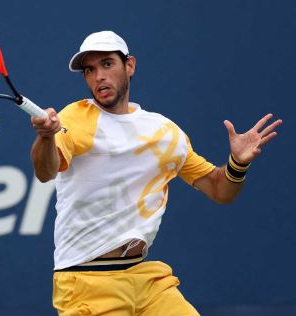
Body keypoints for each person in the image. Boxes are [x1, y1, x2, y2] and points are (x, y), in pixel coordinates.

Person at [30, 30, 282, 316]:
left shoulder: (164, 132)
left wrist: (238, 162)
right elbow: (45, 170)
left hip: (146, 280)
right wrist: (47, 138)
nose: (99, 75)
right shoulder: (74, 118)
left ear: (130, 65)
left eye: (107, 64)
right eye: (90, 70)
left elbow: (219, 189)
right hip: (87, 282)